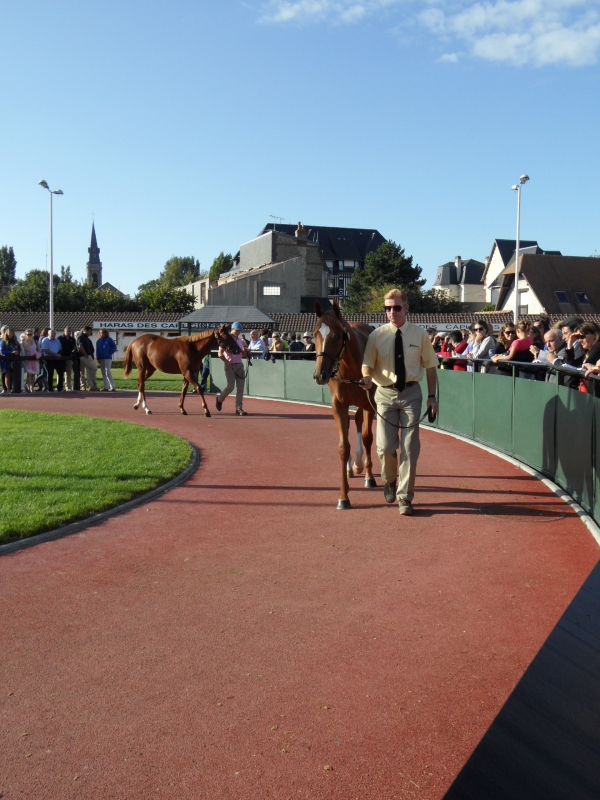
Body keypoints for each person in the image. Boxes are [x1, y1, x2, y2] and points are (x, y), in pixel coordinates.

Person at [359, 288, 439, 516]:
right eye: (387, 308)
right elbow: (367, 364)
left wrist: (432, 397)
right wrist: (366, 377)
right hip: (385, 395)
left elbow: (430, 367)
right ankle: (390, 480)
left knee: (410, 448)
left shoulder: (419, 334)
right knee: (385, 447)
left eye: (396, 307)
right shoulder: (377, 335)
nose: (391, 312)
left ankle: (405, 497)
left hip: (412, 394)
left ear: (406, 308)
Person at [215, 321, 249, 415]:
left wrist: (246, 353)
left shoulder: (240, 341)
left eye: (239, 331)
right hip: (230, 365)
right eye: (237, 330)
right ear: (232, 329)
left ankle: (239, 408)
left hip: (239, 365)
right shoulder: (226, 339)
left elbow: (241, 352)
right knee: (230, 387)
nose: (238, 332)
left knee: (240, 388)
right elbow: (219, 354)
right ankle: (219, 399)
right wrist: (227, 362)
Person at [77, 325, 99, 391]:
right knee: (94, 368)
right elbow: (80, 346)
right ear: (85, 331)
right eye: (89, 331)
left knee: (89, 371)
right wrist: (85, 354)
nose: (90, 332)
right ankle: (92, 382)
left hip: (88, 356)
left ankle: (91, 385)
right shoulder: (81, 337)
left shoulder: (86, 338)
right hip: (85, 356)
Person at [1, 328, 20, 393]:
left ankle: (13, 388)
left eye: (12, 333)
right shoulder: (3, 342)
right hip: (6, 360)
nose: (11, 335)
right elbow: (2, 351)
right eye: (9, 333)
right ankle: (8, 389)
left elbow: (19, 349)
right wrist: (11, 352)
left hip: (14, 360)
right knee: (7, 374)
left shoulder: (15, 341)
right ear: (6, 333)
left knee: (13, 375)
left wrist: (17, 352)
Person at [58, 327, 77, 391]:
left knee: (68, 372)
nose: (68, 332)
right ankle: (59, 385)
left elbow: (74, 347)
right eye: (67, 331)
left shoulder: (72, 339)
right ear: (64, 331)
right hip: (61, 358)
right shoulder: (60, 338)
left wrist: (74, 350)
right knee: (60, 372)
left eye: (69, 331)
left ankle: (68, 386)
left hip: (69, 357)